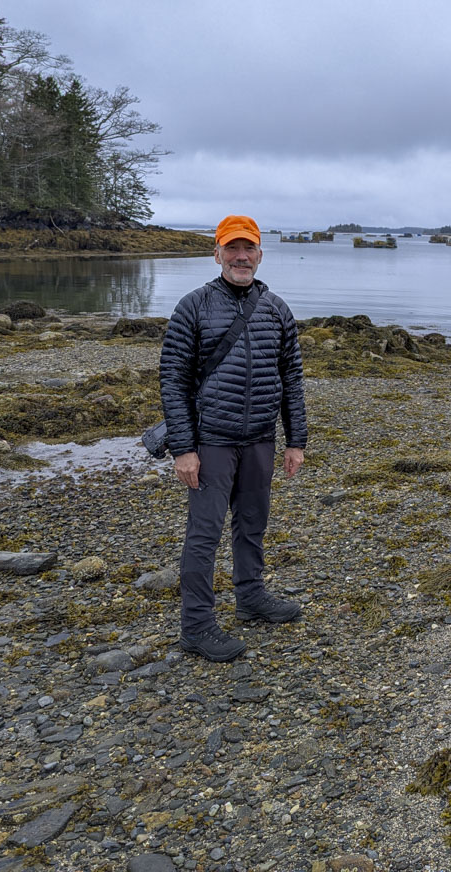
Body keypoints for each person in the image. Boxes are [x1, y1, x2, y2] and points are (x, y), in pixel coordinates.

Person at [159, 214, 308, 662]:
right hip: (212, 443)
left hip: (260, 439)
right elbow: (173, 380)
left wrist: (294, 440)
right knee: (204, 536)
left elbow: (292, 378)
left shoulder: (277, 309)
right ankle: (197, 626)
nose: (241, 257)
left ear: (260, 255)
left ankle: (250, 598)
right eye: (232, 248)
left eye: (249, 249)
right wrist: (184, 449)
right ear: (218, 253)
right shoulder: (194, 306)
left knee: (252, 525)